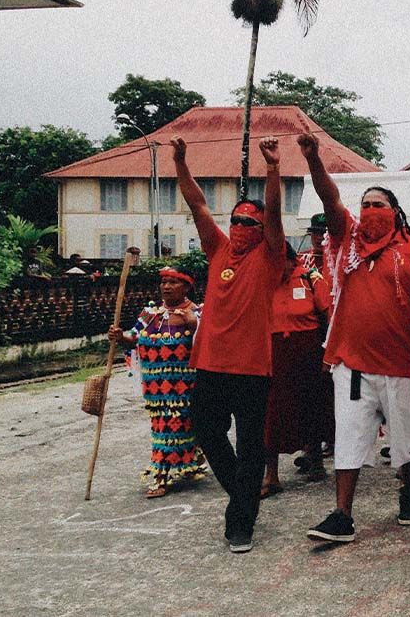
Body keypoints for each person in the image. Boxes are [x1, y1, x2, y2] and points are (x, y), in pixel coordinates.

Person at [298, 132, 410, 545]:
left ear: (395, 213)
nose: (368, 210)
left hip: (402, 367)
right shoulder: (347, 243)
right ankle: (342, 515)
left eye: (377, 204)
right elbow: (330, 200)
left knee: (407, 441)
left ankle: (408, 489)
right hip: (352, 364)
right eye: (364, 204)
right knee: (348, 438)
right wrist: (313, 159)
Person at [174, 135, 286, 553]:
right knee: (206, 431)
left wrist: (273, 170)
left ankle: (240, 523)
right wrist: (181, 164)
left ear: (261, 231)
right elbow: (198, 205)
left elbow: (273, 213)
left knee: (251, 444)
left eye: (248, 224)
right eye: (236, 221)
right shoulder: (218, 249)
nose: (239, 228)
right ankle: (244, 489)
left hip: (252, 368)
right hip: (210, 364)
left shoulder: (270, 256)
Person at [108, 265, 206, 498]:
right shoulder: (149, 314)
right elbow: (133, 337)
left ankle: (171, 470)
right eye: (164, 282)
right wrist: (120, 336)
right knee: (162, 427)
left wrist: (193, 323)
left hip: (185, 385)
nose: (167, 286)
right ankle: (172, 469)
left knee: (181, 426)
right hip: (155, 386)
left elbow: (206, 339)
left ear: (186, 287)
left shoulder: (198, 312)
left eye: (173, 282)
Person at [261, 244, 333, 498]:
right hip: (274, 352)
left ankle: (315, 459)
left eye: (282, 262)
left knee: (312, 404)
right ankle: (271, 475)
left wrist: (330, 354)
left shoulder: (310, 278)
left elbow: (329, 315)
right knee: (271, 412)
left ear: (293, 261)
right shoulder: (263, 282)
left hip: (309, 350)